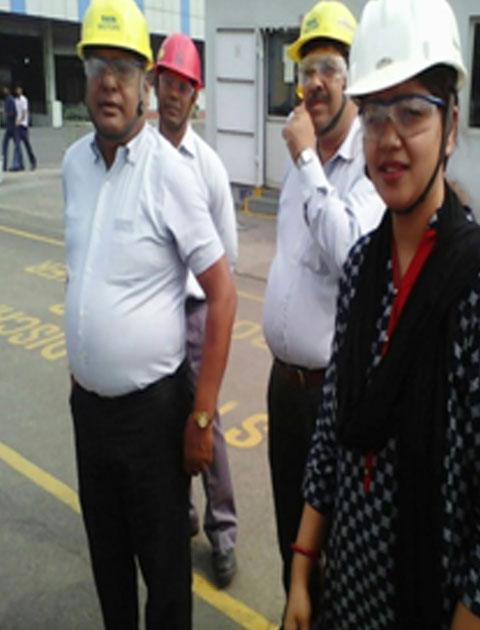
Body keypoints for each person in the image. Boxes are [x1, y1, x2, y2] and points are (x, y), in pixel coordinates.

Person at [283, 1, 480, 629]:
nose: (389, 138)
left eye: (412, 112)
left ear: (450, 126)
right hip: (347, 604)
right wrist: (301, 569)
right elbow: (332, 433)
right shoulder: (361, 269)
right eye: (374, 115)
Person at [62, 1, 236, 629]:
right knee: (108, 562)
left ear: (144, 86)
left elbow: (223, 292)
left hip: (153, 418)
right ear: (84, 76)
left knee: (164, 574)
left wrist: (202, 414)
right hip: (89, 413)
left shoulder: (171, 173)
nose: (110, 83)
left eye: (125, 70)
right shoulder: (73, 166)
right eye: (98, 67)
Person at [261, 0, 385, 619]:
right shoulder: (300, 165)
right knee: (291, 539)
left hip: (332, 400)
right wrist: (305, 162)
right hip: (284, 389)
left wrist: (308, 159)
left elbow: (350, 255)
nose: (314, 83)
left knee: (332, 555)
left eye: (329, 68)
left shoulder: (367, 166)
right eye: (306, 69)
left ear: (352, 79)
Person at [154, 32, 239, 588]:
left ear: (196, 96)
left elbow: (226, 255)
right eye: (167, 83)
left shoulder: (206, 167)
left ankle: (223, 532)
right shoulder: (138, 155)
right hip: (151, 312)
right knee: (162, 419)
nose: (173, 95)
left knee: (206, 423)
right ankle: (180, 517)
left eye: (183, 87)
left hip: (194, 312)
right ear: (154, 85)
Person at [14, 84, 37, 170]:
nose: (18, 91)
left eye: (19, 89)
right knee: (17, 145)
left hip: (23, 125)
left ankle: (33, 161)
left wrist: (20, 121)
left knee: (27, 144)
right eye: (17, 90)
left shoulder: (24, 100)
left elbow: (24, 112)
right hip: (17, 126)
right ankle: (19, 164)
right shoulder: (16, 100)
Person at [2, 85, 22, 171]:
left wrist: (5, 112)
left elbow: (13, 113)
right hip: (10, 126)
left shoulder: (10, 100)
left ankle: (15, 164)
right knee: (15, 145)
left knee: (14, 145)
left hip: (13, 126)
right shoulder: (7, 99)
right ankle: (15, 164)